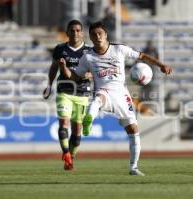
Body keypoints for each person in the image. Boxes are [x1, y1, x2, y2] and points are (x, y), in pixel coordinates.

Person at [58, 21, 172, 176]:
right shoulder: (88, 57)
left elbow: (142, 56)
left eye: (100, 33)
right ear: (90, 37)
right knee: (99, 98)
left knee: (133, 130)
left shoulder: (119, 49)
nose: (97, 36)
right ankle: (89, 118)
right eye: (94, 34)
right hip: (104, 91)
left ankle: (133, 167)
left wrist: (161, 64)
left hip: (122, 95)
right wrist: (64, 68)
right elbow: (76, 77)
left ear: (106, 35)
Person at [43, 20, 92, 170]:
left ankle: (71, 157)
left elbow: (96, 70)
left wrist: (90, 74)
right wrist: (49, 85)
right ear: (67, 33)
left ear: (82, 33)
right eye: (72, 30)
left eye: (78, 30)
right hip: (64, 91)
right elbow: (53, 68)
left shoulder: (90, 51)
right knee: (64, 124)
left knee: (77, 131)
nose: (75, 33)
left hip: (83, 93)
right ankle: (66, 155)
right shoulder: (60, 49)